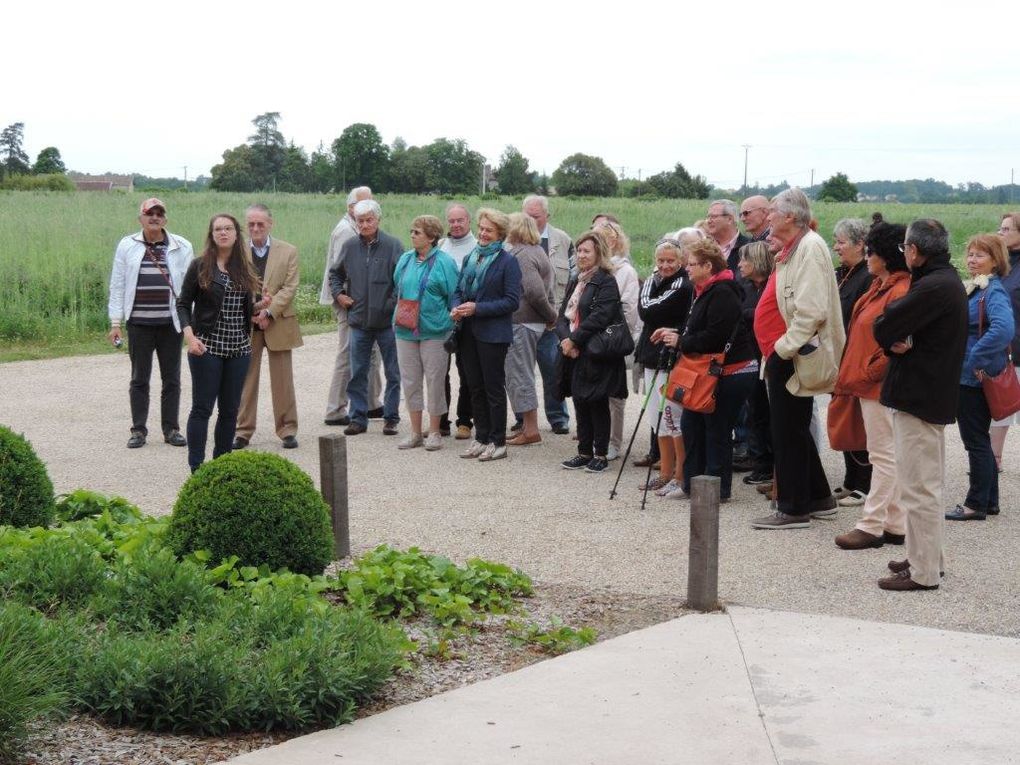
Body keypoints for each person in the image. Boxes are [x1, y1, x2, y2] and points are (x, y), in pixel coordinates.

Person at [873, 219, 968, 590]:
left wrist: (893, 332)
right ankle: (925, 556)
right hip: (927, 393)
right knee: (923, 484)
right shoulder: (944, 280)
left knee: (919, 488)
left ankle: (924, 572)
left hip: (921, 396)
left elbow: (885, 324)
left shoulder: (934, 286)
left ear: (913, 250)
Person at [751, 188, 844, 530]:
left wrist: (782, 349)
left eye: (773, 211)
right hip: (787, 351)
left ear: (790, 217)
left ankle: (793, 509)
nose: (768, 217)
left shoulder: (810, 248)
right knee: (791, 427)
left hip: (794, 352)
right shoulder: (794, 249)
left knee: (787, 430)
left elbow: (811, 311)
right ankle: (819, 496)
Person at [654, 239, 758, 501]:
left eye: (691, 265)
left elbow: (715, 337)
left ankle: (716, 490)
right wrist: (676, 333)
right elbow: (700, 329)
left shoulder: (723, 291)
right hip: (710, 370)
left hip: (731, 371)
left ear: (707, 266)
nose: (686, 269)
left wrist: (681, 342)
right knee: (692, 424)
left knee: (716, 428)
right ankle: (691, 484)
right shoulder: (705, 289)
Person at [832, 222, 911, 549]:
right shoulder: (881, 285)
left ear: (886, 256)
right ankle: (894, 522)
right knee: (884, 454)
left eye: (872, 252)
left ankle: (872, 523)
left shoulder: (900, 290)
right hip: (869, 383)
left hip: (879, 386)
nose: (867, 256)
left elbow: (897, 343)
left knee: (884, 455)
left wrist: (867, 373)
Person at [108, 198, 192, 449]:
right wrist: (115, 322)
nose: (154, 217)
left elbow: (190, 286)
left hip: (170, 323)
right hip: (139, 324)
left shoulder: (182, 245)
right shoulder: (127, 245)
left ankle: (171, 429)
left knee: (172, 379)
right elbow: (118, 284)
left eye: (159, 213)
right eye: (149, 213)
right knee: (139, 378)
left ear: (165, 219)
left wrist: (191, 323)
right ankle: (138, 430)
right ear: (140, 219)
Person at [177, 214, 259, 473]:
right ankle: (197, 468)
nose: (223, 233)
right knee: (202, 408)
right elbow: (182, 304)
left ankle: (222, 466)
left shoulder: (245, 268)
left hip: (239, 349)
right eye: (218, 229)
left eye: (228, 228)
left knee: (230, 411)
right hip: (207, 346)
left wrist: (259, 306)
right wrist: (190, 337)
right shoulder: (200, 265)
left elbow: (240, 308)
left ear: (236, 234)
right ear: (211, 235)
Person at [945, 234, 1014, 520]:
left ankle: (975, 504)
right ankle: (990, 501)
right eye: (970, 254)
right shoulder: (978, 288)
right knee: (980, 439)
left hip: (973, 378)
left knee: (974, 440)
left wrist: (975, 358)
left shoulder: (993, 291)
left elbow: (1004, 328)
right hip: (970, 375)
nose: (972, 259)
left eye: (980, 255)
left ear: (995, 261)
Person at [328, 199, 404, 436]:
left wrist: (390, 305)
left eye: (369, 219)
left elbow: (401, 281)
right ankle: (358, 417)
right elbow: (335, 274)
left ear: (378, 219)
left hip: (387, 322)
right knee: (358, 371)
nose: (365, 224)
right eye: (360, 221)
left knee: (393, 371)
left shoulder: (393, 245)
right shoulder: (350, 246)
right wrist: (339, 295)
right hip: (359, 321)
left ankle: (391, 417)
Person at [452, 209, 522, 462]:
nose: (482, 233)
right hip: (468, 331)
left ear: (500, 234)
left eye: (488, 230)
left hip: (493, 334)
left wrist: (478, 308)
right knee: (474, 386)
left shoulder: (508, 262)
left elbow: (512, 302)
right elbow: (459, 289)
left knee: (493, 387)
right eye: (481, 228)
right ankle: (481, 437)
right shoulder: (471, 256)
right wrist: (457, 306)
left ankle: (498, 441)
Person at [557, 230, 628, 474]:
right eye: (579, 250)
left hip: (595, 351)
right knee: (580, 401)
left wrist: (575, 340)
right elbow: (563, 315)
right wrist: (566, 339)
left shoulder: (606, 280)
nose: (581, 255)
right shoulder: (578, 279)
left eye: (586, 250)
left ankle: (600, 454)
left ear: (599, 252)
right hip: (575, 351)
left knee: (597, 402)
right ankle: (583, 452)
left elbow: (601, 316)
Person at [233, 204, 302, 450]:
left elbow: (290, 288)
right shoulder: (235, 251)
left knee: (283, 381)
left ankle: (287, 430)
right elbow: (233, 285)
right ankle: (242, 431)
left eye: (260, 223)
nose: (255, 228)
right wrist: (252, 310)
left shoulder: (288, 251)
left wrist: (269, 313)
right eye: (251, 224)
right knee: (245, 379)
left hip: (279, 323)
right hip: (246, 324)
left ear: (270, 224)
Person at [633, 234, 696, 497]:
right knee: (656, 419)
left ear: (681, 260)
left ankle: (680, 475)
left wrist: (649, 283)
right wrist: (651, 280)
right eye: (661, 260)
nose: (666, 265)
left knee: (672, 417)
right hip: (650, 355)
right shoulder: (655, 279)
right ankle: (664, 472)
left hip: (670, 358)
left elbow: (647, 309)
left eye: (671, 260)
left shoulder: (683, 285)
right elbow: (646, 309)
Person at [392, 215, 459, 451]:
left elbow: (453, 295)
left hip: (435, 330)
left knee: (434, 381)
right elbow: (396, 286)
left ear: (431, 237)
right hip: (405, 329)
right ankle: (414, 431)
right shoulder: (405, 259)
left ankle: (435, 431)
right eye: (411, 231)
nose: (412, 235)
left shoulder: (445, 262)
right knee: (410, 381)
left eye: (417, 232)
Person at [321, 187, 383, 427]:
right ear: (351, 207)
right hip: (350, 301)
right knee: (348, 352)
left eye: (372, 202)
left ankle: (371, 403)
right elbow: (342, 273)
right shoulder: (347, 231)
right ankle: (335, 409)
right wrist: (348, 299)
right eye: (364, 203)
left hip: (362, 301)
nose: (371, 207)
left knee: (370, 351)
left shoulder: (357, 228)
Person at [831, 218, 874, 507]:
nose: (836, 247)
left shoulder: (867, 277)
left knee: (859, 422)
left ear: (860, 244)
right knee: (842, 418)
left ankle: (865, 483)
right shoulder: (842, 273)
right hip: (838, 356)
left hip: (856, 357)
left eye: (841, 242)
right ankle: (850, 480)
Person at [505, 213, 558, 447]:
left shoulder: (524, 255)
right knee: (520, 374)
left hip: (524, 323)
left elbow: (535, 292)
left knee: (521, 375)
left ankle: (531, 429)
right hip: (528, 322)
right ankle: (527, 427)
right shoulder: (534, 251)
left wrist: (551, 316)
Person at [523, 195, 574, 434]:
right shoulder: (512, 240)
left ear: (547, 216)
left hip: (553, 321)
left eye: (536, 216)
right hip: (523, 319)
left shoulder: (562, 240)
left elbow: (573, 279)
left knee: (553, 370)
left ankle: (557, 417)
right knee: (521, 372)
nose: (531, 221)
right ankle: (522, 418)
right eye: (527, 216)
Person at [594, 219, 642, 461]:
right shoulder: (590, 269)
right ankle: (597, 438)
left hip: (611, 340)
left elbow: (629, 310)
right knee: (594, 390)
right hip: (591, 339)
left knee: (614, 394)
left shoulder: (625, 271)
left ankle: (614, 441)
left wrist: (606, 332)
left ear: (613, 241)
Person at [735, 241, 775, 486]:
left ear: (758, 262)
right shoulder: (745, 287)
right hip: (750, 356)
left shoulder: (772, 285)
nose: (740, 264)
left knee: (772, 414)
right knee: (755, 412)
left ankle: (775, 466)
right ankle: (760, 463)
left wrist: (751, 314)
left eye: (745, 260)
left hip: (769, 354)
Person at [438, 202, 478, 440]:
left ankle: (465, 420)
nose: (455, 225)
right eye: (451, 221)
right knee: (439, 372)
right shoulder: (442, 246)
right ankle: (441, 420)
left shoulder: (476, 247)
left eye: (459, 220)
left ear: (468, 221)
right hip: (443, 317)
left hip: (467, 318)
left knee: (466, 372)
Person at [990, 211, 1020, 467]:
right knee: (1000, 406)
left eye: (1006, 229)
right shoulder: (1001, 264)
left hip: (1019, 345)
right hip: (1004, 348)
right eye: (1000, 229)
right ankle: (993, 460)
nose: (1000, 233)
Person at [705, 199, 751, 275]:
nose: (709, 221)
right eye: (708, 217)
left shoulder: (748, 247)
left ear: (729, 219)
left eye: (714, 216)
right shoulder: (704, 247)